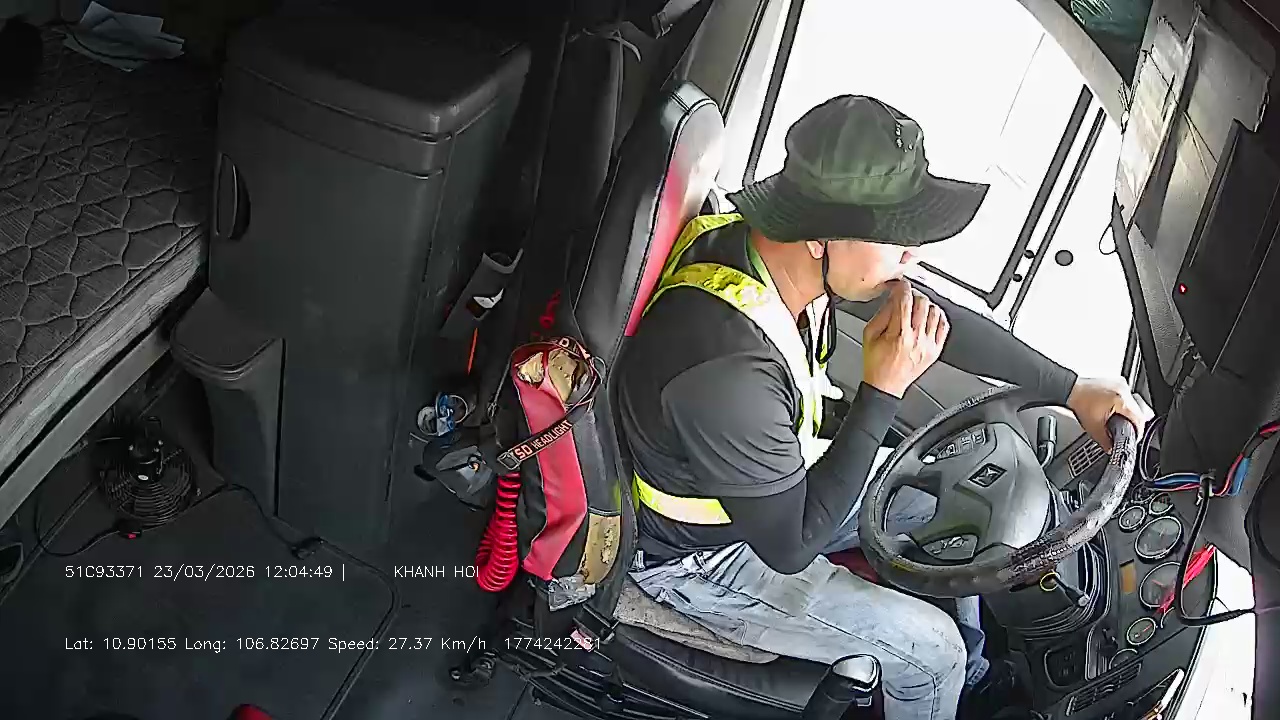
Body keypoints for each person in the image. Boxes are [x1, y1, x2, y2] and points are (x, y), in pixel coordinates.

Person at [616, 95, 1150, 720]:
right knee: (934, 654)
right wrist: (881, 392)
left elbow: (935, 320)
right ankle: (949, 681)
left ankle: (975, 681)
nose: (912, 256)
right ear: (821, 236)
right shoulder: (726, 369)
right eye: (896, 238)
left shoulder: (775, 254)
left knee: (950, 499)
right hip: (704, 556)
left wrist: (1069, 388)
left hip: (771, 478)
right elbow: (790, 545)